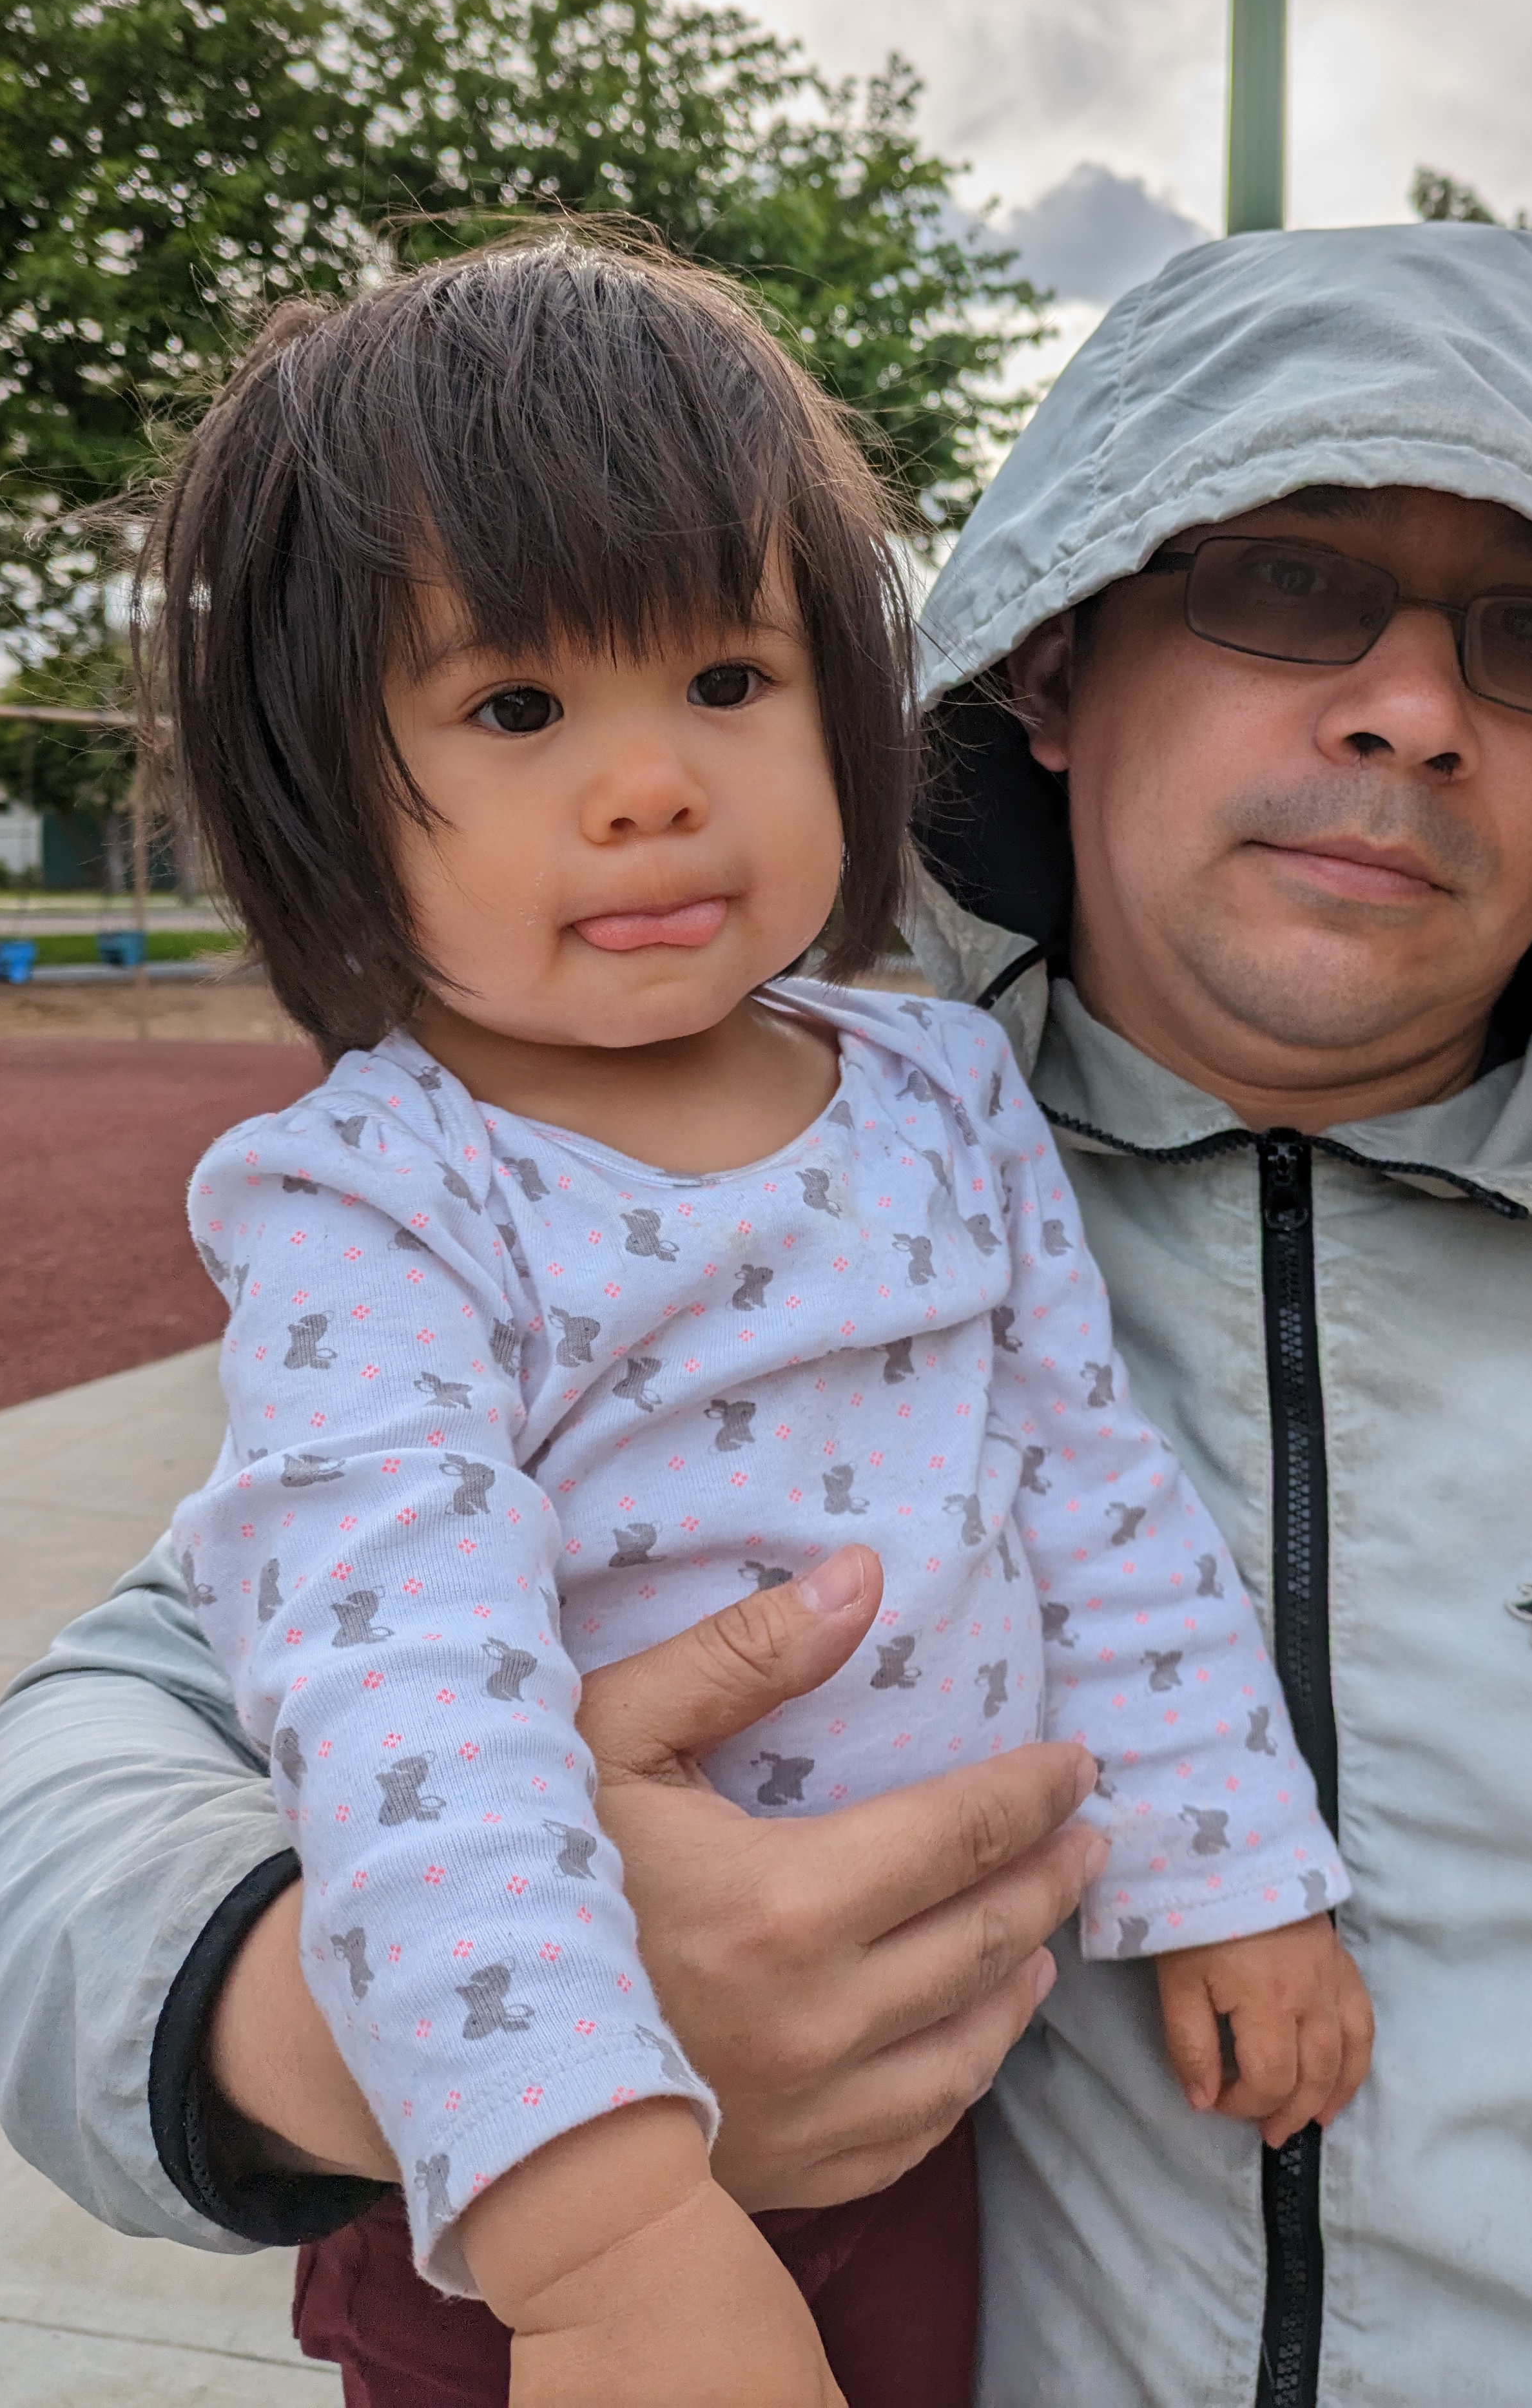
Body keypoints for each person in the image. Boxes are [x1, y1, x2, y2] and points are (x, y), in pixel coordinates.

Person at [0, 222, 1532, 2406]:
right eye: (1284, 579)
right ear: (1053, 660)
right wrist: (402, 2055)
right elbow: (51, 1812)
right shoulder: (722, 1182)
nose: (1411, 708)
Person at [134, 230, 1361, 2406]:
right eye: (516, 708)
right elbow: (407, 1696)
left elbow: (1093, 1485)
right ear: (322, 782)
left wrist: (1239, 1872)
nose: (650, 784)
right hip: (536, 2167)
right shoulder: (375, 1200)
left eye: (726, 682)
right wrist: (602, 2236)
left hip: (920, 2100)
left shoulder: (941, 1090)